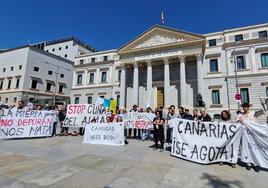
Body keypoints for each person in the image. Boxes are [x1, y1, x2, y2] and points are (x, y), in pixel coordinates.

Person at [238, 103, 260, 172]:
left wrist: (264, 104)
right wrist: (240, 121)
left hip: (253, 134)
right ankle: (248, 164)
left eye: (246, 107)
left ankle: (255, 164)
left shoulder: (253, 113)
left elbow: (262, 112)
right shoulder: (241, 115)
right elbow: (238, 123)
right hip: (245, 134)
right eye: (243, 107)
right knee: (247, 148)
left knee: (254, 148)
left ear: (248, 107)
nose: (245, 108)